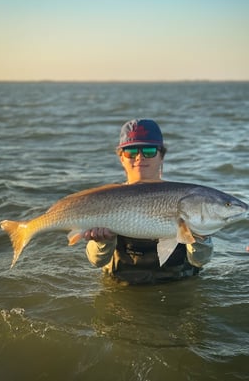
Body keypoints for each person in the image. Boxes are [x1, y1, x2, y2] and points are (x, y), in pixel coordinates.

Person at [84, 119, 213, 285]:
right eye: (131, 151)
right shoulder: (106, 199)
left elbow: (200, 261)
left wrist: (201, 239)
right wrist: (102, 242)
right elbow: (96, 262)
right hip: (124, 293)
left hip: (179, 288)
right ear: (121, 158)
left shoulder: (185, 200)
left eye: (149, 150)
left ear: (162, 156)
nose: (140, 157)